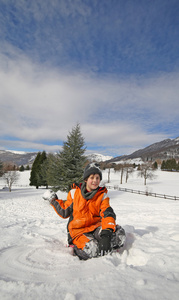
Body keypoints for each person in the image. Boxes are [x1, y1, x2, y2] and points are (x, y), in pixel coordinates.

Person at [47, 162, 126, 260]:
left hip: (96, 227)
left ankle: (103, 245)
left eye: (97, 178)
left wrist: (107, 233)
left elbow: (108, 214)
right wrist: (53, 200)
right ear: (86, 179)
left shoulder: (102, 196)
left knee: (119, 235)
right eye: (92, 178)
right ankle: (79, 248)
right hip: (78, 231)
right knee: (92, 249)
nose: (95, 181)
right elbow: (64, 211)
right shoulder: (74, 193)